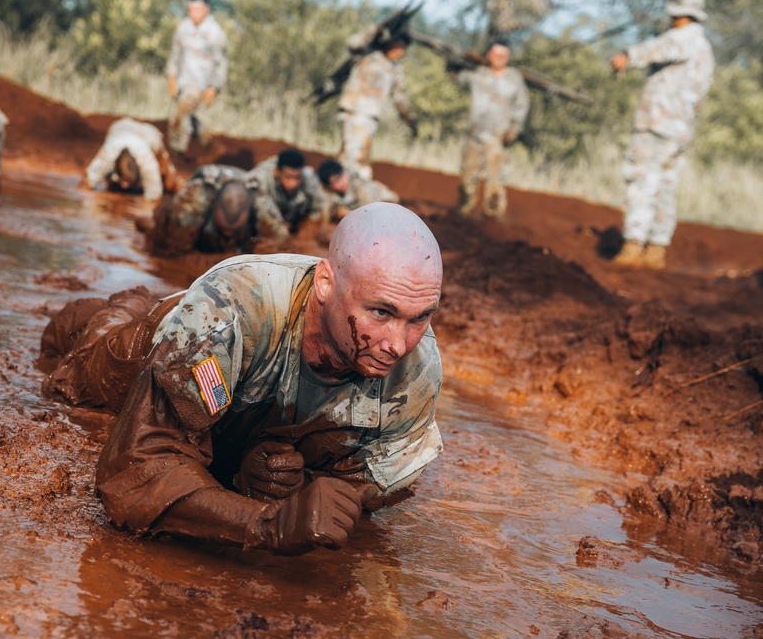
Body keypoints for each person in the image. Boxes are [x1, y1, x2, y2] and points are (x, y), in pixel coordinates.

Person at [40, 203, 444, 555]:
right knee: (72, 378)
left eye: (420, 317)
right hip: (162, 342)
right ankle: (126, 307)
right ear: (325, 283)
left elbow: (363, 489)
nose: (399, 344)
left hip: (242, 397)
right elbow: (131, 477)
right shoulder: (231, 309)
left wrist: (291, 481)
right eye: (381, 312)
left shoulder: (417, 375)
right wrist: (269, 524)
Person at [610, 0, 715, 270]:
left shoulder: (683, 38)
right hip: (680, 130)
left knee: (642, 181)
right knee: (666, 187)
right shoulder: (706, 49)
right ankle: (656, 249)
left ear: (681, 15)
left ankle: (633, 245)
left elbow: (655, 49)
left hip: (656, 123)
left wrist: (626, 56)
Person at [451, 41, 529, 221]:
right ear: (488, 55)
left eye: (504, 55)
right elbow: (457, 76)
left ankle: (492, 217)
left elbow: (522, 106)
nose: (499, 58)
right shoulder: (478, 74)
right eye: (496, 54)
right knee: (468, 176)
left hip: (498, 137)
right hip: (474, 133)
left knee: (495, 180)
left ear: (508, 58)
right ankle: (463, 212)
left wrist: (515, 129)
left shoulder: (514, 79)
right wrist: (458, 59)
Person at [136, 164, 288, 255]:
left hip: (242, 236)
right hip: (196, 229)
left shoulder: (262, 205)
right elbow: (175, 253)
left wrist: (263, 250)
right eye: (224, 229)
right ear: (214, 206)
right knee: (153, 229)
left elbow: (280, 245)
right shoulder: (195, 200)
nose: (228, 234)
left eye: (232, 230)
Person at [337, 34, 417, 180]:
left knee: (352, 155)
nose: (400, 52)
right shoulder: (368, 56)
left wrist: (410, 118)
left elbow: (400, 97)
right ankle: (354, 194)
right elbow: (353, 43)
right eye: (398, 46)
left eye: (403, 48)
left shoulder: (395, 69)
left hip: (370, 116)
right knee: (356, 157)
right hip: (355, 111)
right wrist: (376, 30)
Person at [166, 0, 229, 155]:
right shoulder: (183, 27)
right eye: (190, 9)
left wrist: (214, 88)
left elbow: (221, 63)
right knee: (186, 114)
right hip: (182, 81)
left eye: (197, 10)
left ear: (206, 10)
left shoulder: (215, 32)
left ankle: (176, 152)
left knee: (180, 114)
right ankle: (208, 142)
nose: (193, 13)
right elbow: (176, 53)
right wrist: (171, 76)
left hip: (200, 83)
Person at [85, 117, 178, 201]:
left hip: (149, 134)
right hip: (121, 127)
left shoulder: (147, 162)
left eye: (128, 181)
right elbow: (87, 183)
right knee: (112, 185)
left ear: (139, 167)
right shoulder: (107, 154)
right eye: (122, 180)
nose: (125, 186)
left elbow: (154, 195)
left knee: (168, 183)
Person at [247, 148, 328, 231]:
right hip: (269, 216)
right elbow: (264, 211)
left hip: (294, 216)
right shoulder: (260, 178)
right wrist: (280, 227)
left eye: (297, 178)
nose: (293, 184)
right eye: (288, 177)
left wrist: (313, 223)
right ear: (277, 172)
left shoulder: (307, 175)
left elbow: (321, 204)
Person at [316, 159, 399, 221]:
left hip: (382, 197)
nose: (340, 184)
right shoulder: (330, 193)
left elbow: (371, 215)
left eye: (340, 178)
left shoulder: (360, 188)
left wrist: (347, 213)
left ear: (345, 173)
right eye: (334, 183)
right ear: (329, 186)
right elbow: (326, 217)